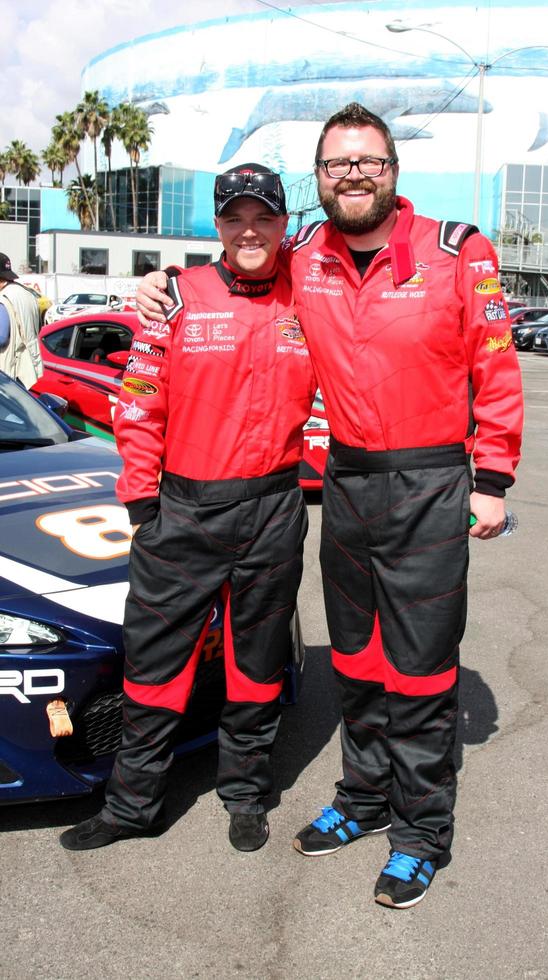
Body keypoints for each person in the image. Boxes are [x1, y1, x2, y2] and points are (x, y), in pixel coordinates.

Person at [135, 104, 524, 909]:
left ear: (392, 172)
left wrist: (494, 477)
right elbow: (231, 278)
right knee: (356, 662)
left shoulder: (458, 253)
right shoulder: (304, 256)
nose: (353, 175)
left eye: (368, 162)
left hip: (430, 483)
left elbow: (497, 368)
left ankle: (422, 832)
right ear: (319, 180)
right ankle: (364, 795)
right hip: (346, 484)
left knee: (418, 674)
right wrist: (155, 285)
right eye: (337, 164)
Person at [60, 163, 316, 853]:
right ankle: (133, 806)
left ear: (285, 224)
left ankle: (245, 793)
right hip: (184, 510)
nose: (250, 229)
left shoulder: (312, 292)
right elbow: (138, 405)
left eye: (264, 216)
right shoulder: (176, 296)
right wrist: (143, 504)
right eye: (236, 217)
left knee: (257, 665)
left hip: (273, 509)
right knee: (154, 667)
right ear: (218, 226)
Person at [0, 253, 43, 388]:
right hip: (28, 369)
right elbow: (38, 327)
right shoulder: (27, 294)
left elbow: (1, 338)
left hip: (9, 371)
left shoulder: (3, 299)